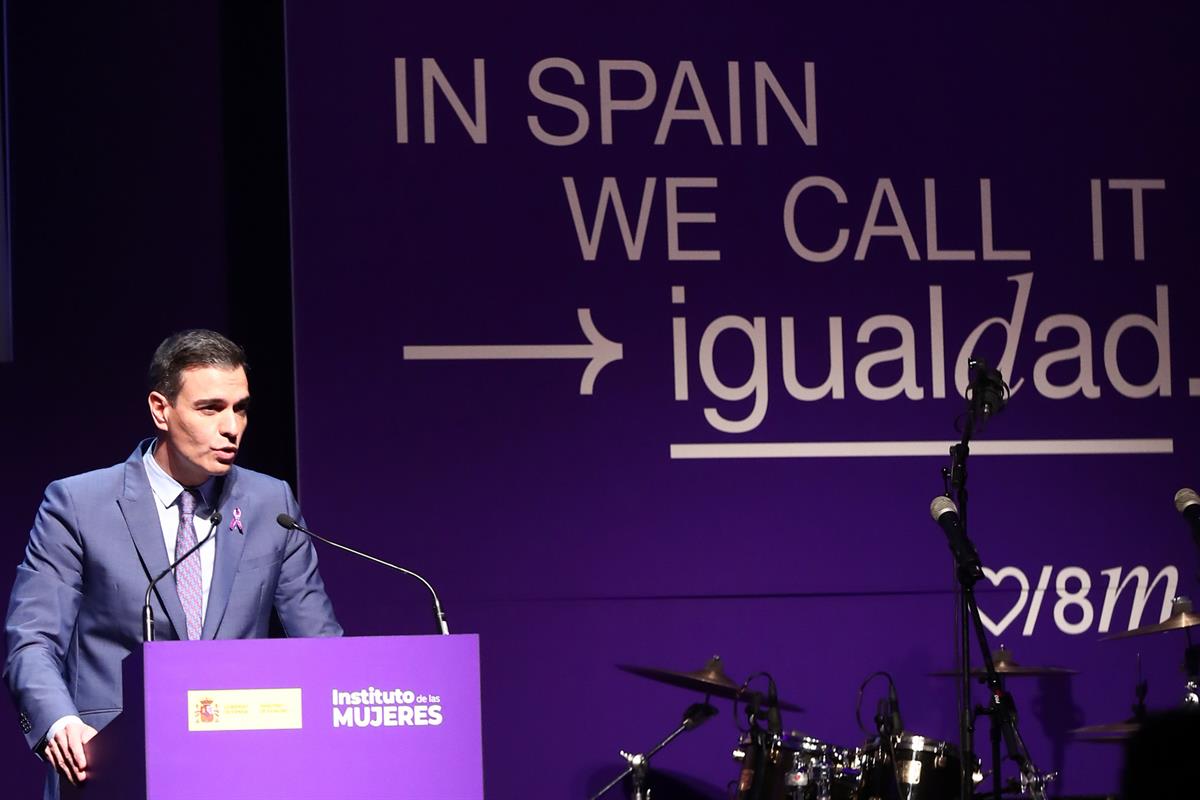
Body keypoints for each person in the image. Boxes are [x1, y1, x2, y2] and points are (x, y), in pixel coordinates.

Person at [3, 329, 342, 799]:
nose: (232, 427)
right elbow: (32, 640)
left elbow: (320, 645)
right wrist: (59, 722)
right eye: (210, 408)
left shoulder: (270, 502)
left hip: (244, 764)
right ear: (161, 409)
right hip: (111, 765)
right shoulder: (78, 504)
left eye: (240, 408)